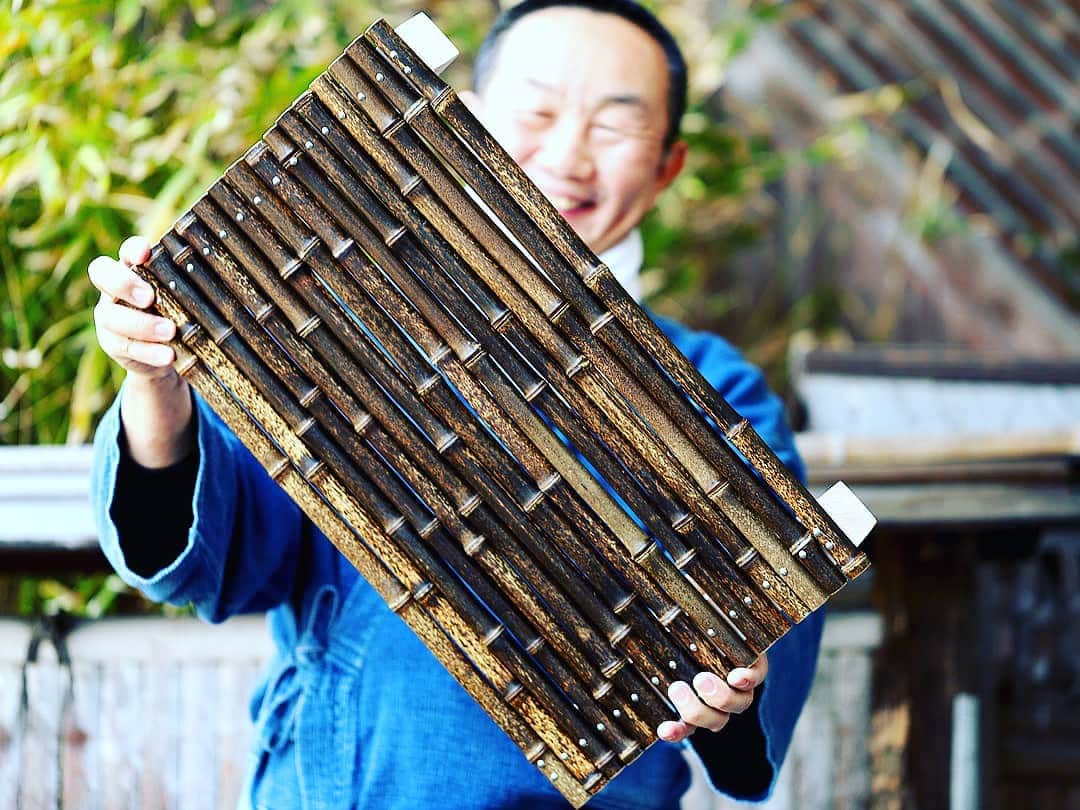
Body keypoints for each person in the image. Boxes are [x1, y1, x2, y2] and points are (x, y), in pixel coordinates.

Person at [88, 1, 824, 807]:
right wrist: (155, 380)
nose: (568, 156)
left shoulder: (719, 392)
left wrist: (735, 682)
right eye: (536, 112)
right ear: (463, 118)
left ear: (667, 167)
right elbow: (208, 563)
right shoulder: (330, 317)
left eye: (615, 126)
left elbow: (757, 651)